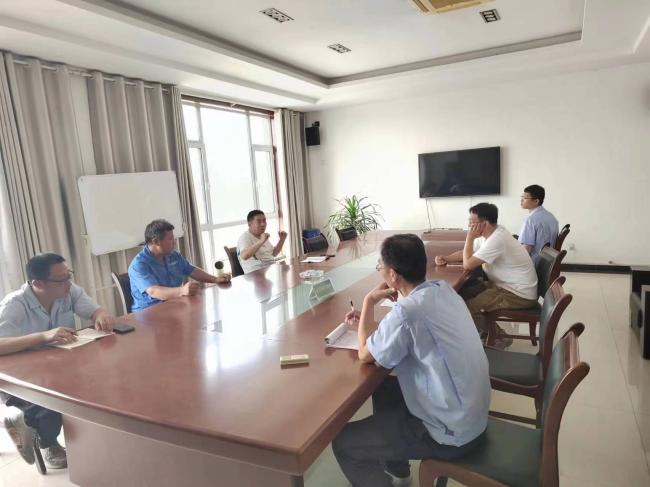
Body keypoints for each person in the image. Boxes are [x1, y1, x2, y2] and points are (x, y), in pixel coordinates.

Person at [332, 234, 490, 487]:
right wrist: (373, 320)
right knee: (386, 386)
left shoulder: (407, 312)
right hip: (471, 415)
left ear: (393, 275)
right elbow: (402, 331)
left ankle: (393, 471)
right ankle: (399, 472)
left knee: (344, 444)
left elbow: (364, 354)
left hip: (450, 433)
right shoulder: (442, 290)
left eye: (380, 266)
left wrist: (369, 301)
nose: (380, 271)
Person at [0, 253, 115, 469]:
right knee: (52, 399)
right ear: (38, 284)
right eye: (61, 279)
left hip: (56, 365)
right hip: (19, 373)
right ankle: (45, 442)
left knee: (98, 380)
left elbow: (94, 310)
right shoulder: (14, 305)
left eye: (69, 275)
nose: (68, 283)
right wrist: (43, 336)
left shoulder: (68, 290)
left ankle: (84, 434)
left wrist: (100, 314)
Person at [435, 203, 538, 342]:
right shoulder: (490, 235)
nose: (469, 225)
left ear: (485, 223)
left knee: (468, 308)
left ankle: (500, 339)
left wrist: (469, 237)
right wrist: (446, 258)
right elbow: (468, 253)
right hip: (503, 286)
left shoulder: (497, 239)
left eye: (472, 222)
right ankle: (478, 334)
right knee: (459, 296)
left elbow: (468, 264)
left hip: (517, 294)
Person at [128, 219, 231, 311]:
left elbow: (191, 270)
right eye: (170, 239)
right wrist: (181, 291)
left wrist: (215, 279)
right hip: (149, 313)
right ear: (156, 242)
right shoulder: (139, 265)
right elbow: (154, 291)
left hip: (174, 306)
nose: (175, 242)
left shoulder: (173, 255)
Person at [518, 184, 559, 263]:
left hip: (534, 263)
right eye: (521, 197)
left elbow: (526, 250)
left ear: (536, 201)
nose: (521, 200)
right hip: (548, 262)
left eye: (525, 198)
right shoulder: (551, 216)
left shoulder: (530, 219)